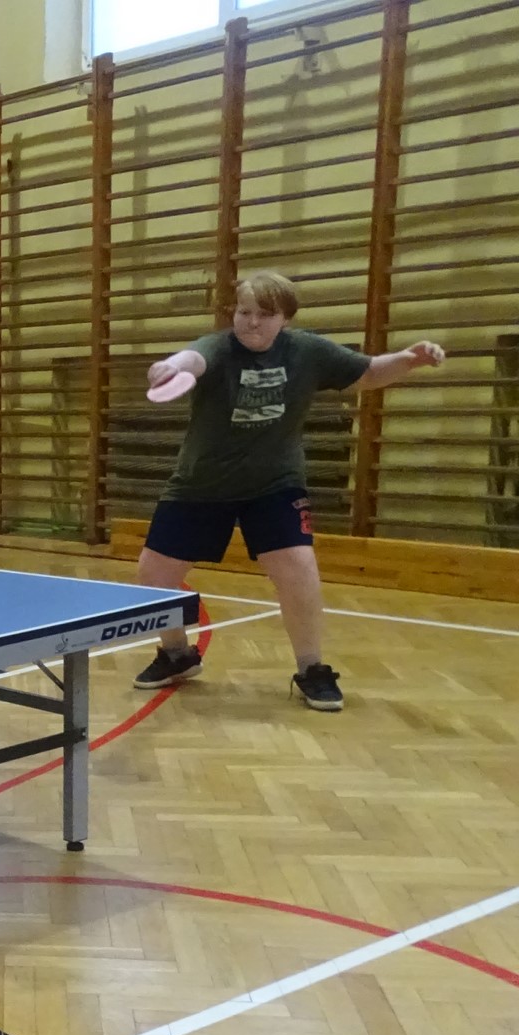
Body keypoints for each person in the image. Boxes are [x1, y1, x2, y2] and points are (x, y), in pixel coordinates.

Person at [133, 270, 445, 710]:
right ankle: (177, 654)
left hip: (274, 484)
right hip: (201, 482)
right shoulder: (219, 348)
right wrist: (171, 367)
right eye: (244, 312)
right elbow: (193, 359)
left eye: (264, 314)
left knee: (298, 570)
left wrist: (409, 359)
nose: (251, 322)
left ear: (285, 318)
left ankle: (312, 669)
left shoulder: (307, 351)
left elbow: (368, 372)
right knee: (154, 573)